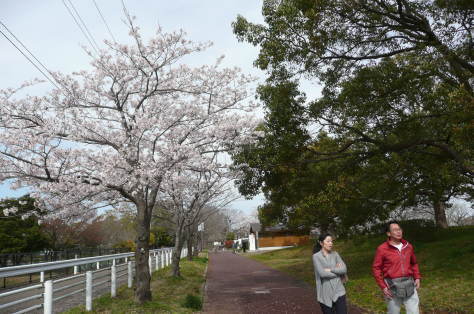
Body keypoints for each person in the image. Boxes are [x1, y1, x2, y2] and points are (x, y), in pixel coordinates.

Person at [372, 221, 422, 314]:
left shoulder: (408, 246)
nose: (398, 232)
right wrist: (383, 286)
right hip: (391, 285)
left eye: (399, 229)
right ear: (388, 233)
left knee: (414, 311)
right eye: (395, 230)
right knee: (393, 312)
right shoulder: (382, 249)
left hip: (409, 283)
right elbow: (376, 268)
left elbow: (414, 263)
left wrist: (417, 277)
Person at [312, 234, 348, 314]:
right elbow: (322, 274)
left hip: (339, 291)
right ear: (321, 243)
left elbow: (344, 269)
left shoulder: (335, 254)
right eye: (328, 241)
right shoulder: (316, 257)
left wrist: (331, 269)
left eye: (331, 241)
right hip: (325, 294)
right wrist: (337, 271)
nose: (331, 243)